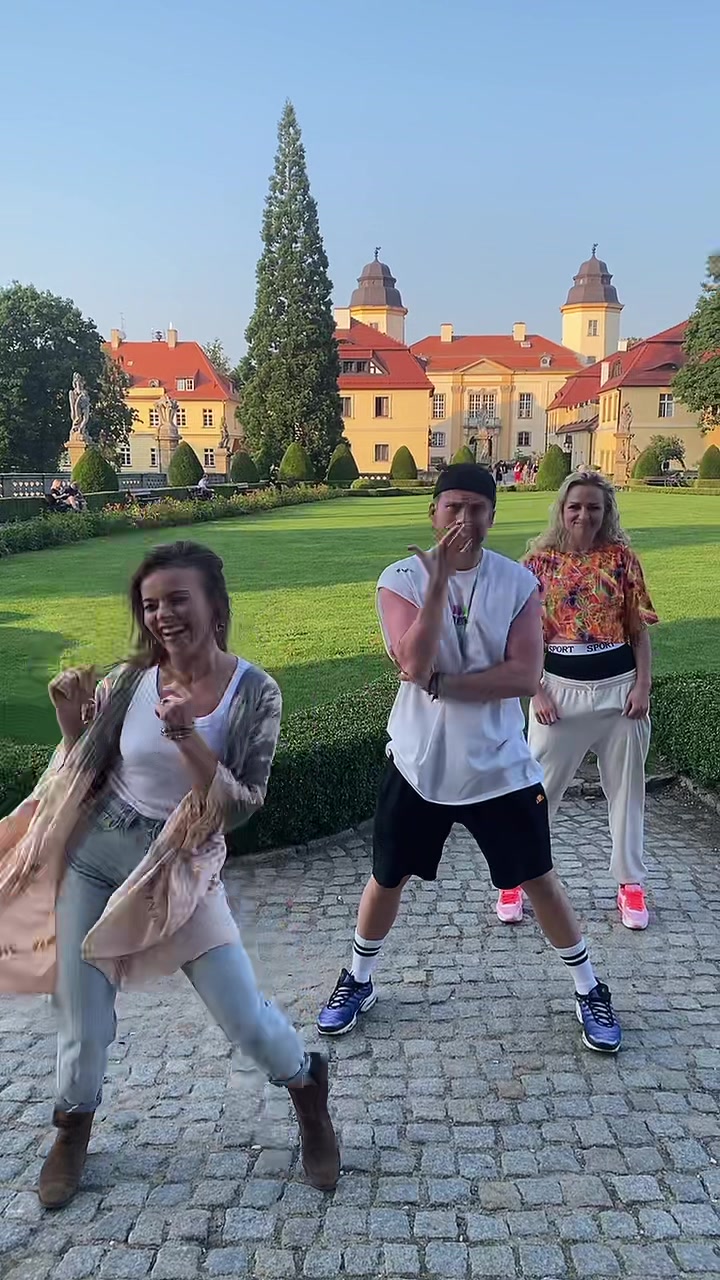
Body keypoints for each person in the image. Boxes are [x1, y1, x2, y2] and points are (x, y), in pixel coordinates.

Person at [0, 540, 339, 1209]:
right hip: (94, 857)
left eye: (178, 600)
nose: (162, 616)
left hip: (177, 866)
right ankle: (73, 1127)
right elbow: (82, 764)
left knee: (244, 1018)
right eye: (150, 604)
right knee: (81, 1021)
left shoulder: (254, 692)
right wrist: (70, 724)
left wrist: (188, 737)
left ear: (215, 605)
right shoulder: (129, 680)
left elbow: (240, 808)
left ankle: (306, 1088)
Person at [316, 463, 621, 1054]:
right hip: (419, 763)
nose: (463, 519)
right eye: (452, 506)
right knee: (387, 877)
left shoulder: (517, 582)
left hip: (498, 765)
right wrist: (436, 588)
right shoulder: (401, 578)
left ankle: (589, 987)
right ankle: (358, 977)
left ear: (492, 516)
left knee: (539, 879)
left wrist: (446, 684)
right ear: (433, 512)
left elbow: (525, 675)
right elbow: (413, 662)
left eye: (476, 508)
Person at [494, 470, 657, 931]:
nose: (584, 515)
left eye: (593, 507)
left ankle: (630, 883)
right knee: (536, 793)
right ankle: (514, 877)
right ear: (562, 510)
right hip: (558, 696)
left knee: (628, 792)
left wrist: (643, 685)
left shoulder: (622, 560)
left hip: (619, 694)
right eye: (575, 506)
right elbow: (517, 639)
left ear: (606, 512)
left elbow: (638, 630)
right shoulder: (537, 564)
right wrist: (537, 690)